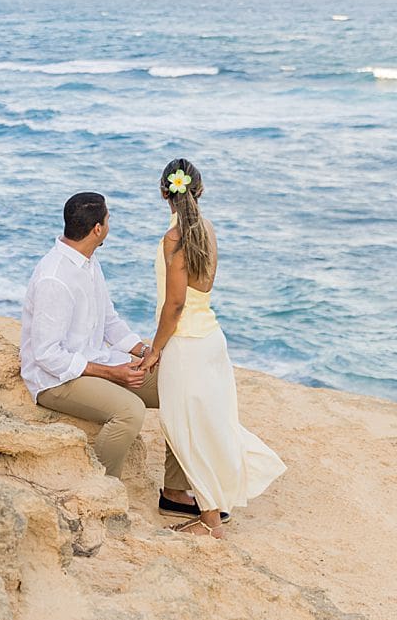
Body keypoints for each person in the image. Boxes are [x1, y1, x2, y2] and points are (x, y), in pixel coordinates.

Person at [20, 191, 221, 522]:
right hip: (55, 379)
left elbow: (109, 320)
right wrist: (112, 374)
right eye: (109, 219)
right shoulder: (54, 279)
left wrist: (144, 352)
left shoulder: (88, 262)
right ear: (98, 229)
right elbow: (46, 355)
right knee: (130, 410)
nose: (111, 224)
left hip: (94, 361)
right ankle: (99, 495)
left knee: (179, 385)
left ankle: (173, 491)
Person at [149, 159, 286, 538]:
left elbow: (174, 306)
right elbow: (201, 290)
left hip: (186, 346)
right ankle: (212, 508)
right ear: (200, 190)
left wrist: (154, 349)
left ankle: (210, 522)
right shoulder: (206, 229)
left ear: (164, 193)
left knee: (186, 430)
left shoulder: (173, 239)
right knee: (210, 425)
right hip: (211, 340)